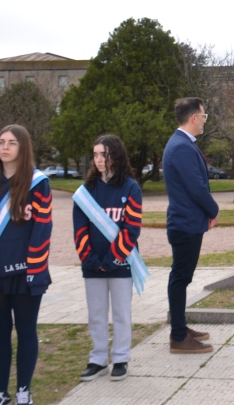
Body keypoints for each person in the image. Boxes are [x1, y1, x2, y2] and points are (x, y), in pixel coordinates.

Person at [0, 124, 52, 405]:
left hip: (27, 274)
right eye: (1, 142)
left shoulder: (38, 183)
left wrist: (34, 268)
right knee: (0, 332)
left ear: (23, 147)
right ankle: (0, 391)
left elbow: (42, 229)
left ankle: (24, 391)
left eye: (12, 143)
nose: (4, 147)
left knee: (27, 330)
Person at [72, 135, 144, 382]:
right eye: (95, 155)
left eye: (104, 154)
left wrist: (113, 258)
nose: (99, 159)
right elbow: (79, 228)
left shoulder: (131, 187)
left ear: (116, 155)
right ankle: (98, 359)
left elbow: (131, 228)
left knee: (122, 313)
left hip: (121, 263)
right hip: (92, 264)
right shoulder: (86, 190)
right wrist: (90, 258)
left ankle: (121, 358)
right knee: (96, 314)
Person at [163, 97, 219, 354]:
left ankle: (180, 327)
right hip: (185, 224)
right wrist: (214, 209)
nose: (205, 121)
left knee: (181, 277)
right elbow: (196, 187)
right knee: (180, 278)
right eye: (204, 116)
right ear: (194, 117)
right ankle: (178, 336)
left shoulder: (181, 144)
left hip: (186, 223)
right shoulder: (182, 147)